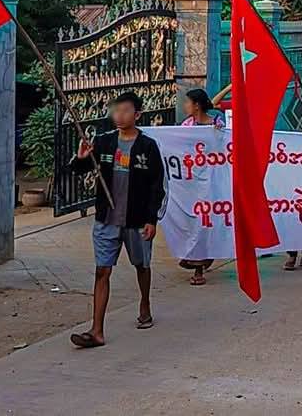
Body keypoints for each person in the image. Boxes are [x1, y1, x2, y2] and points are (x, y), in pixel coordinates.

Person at [70, 92, 166, 348]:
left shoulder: (147, 147)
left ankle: (144, 302)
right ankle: (97, 330)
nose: (119, 115)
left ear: (137, 115)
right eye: (116, 110)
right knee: (102, 270)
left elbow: (157, 186)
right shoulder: (103, 142)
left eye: (125, 111)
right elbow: (81, 169)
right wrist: (81, 158)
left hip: (136, 220)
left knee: (141, 265)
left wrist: (151, 219)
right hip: (106, 218)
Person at [178, 88, 220, 285]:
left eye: (187, 102)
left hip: (212, 179)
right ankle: (198, 258)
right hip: (191, 180)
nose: (185, 106)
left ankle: (198, 266)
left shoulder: (217, 124)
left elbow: (223, 147)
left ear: (197, 105)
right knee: (193, 220)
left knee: (206, 220)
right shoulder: (186, 126)